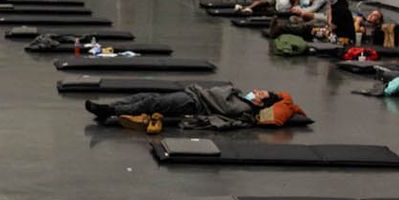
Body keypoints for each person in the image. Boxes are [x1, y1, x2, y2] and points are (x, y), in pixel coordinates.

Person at [83, 85, 305, 129]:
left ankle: (110, 111)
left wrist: (229, 91)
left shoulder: (243, 108)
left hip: (194, 103)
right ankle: (111, 108)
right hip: (193, 94)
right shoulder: (241, 97)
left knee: (152, 104)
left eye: (260, 94)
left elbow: (222, 106)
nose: (256, 91)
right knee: (146, 95)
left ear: (260, 103)